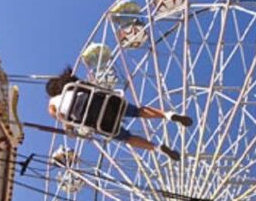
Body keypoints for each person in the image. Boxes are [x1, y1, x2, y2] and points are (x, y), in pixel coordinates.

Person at [46, 67, 187, 161]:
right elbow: (95, 88)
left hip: (97, 121)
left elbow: (56, 115)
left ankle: (157, 148)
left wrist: (69, 129)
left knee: (127, 138)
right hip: (107, 103)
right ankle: (168, 115)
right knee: (138, 111)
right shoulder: (73, 86)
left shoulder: (53, 102)